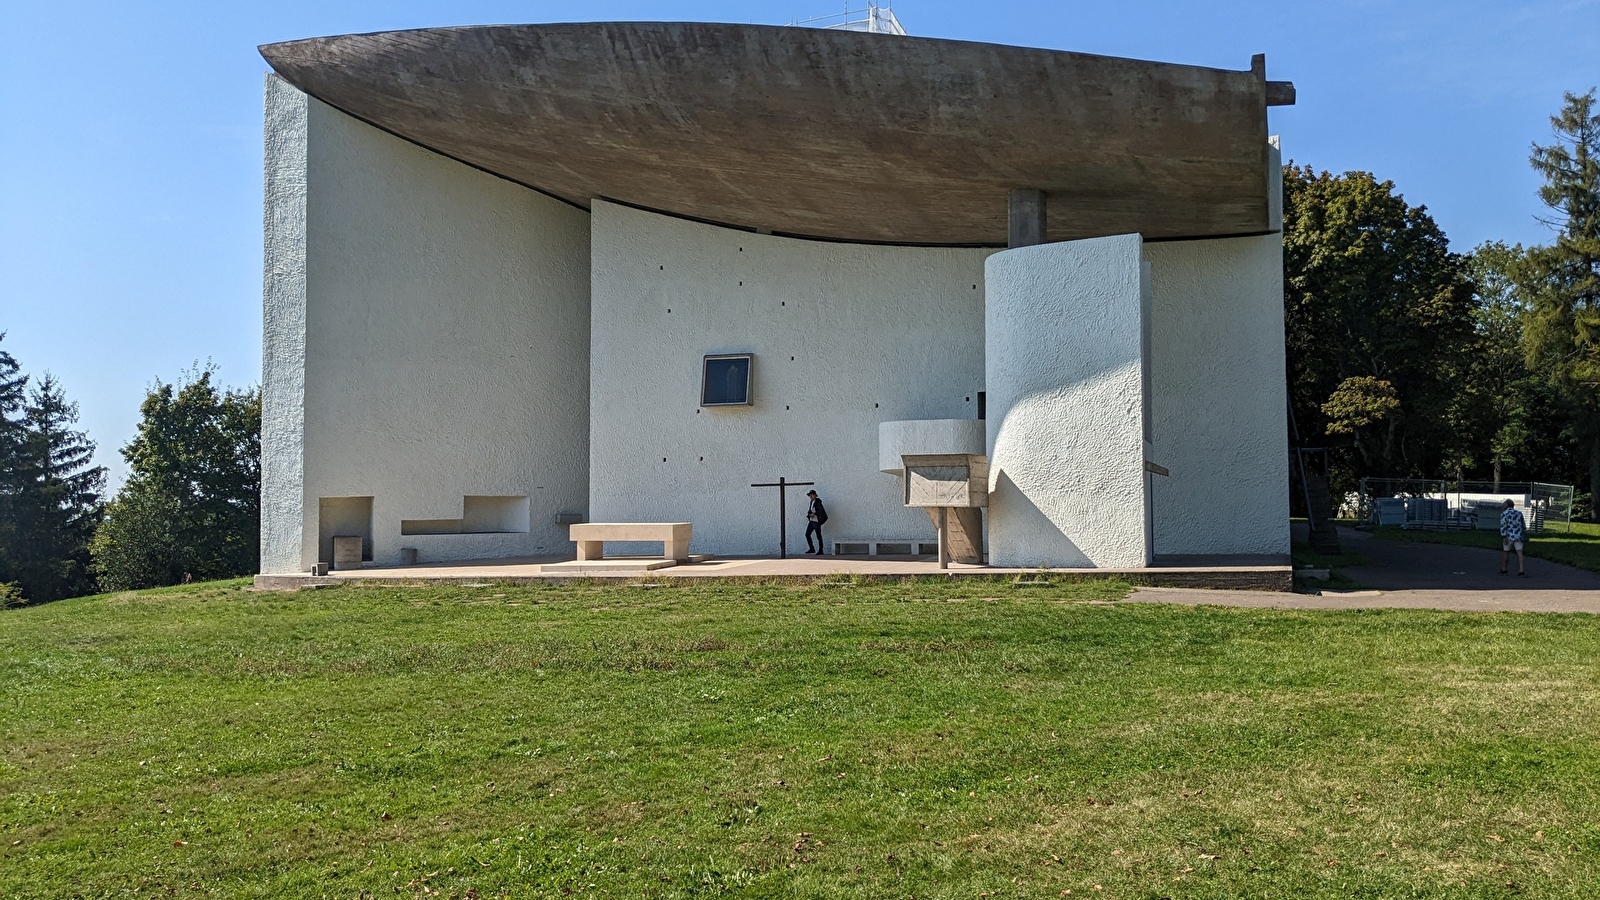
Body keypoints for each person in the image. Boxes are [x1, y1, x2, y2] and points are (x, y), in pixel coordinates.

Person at [1499, 499, 1527, 577]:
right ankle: (1521, 570)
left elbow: (1503, 525)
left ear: (1507, 505)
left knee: (1506, 552)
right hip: (1518, 535)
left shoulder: (1504, 514)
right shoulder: (1519, 513)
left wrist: (1503, 536)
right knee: (1519, 552)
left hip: (1508, 536)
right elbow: (1523, 525)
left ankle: (1504, 569)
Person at [804, 489, 828, 554]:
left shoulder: (818, 503)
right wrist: (809, 515)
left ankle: (820, 550)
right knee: (807, 534)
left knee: (818, 536)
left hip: (816, 521)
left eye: (812, 495)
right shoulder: (812, 502)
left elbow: (821, 512)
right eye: (810, 495)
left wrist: (814, 514)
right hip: (812, 521)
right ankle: (812, 548)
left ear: (815, 495)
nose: (810, 497)